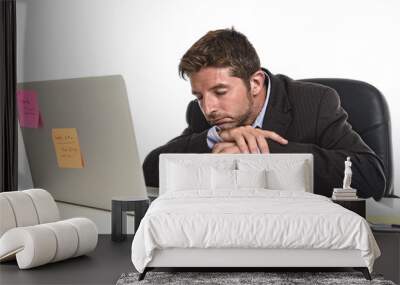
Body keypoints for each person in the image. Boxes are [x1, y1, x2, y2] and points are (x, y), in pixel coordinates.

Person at [143, 28, 385, 199]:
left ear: (256, 83)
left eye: (220, 91)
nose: (209, 108)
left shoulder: (316, 102)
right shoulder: (203, 116)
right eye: (199, 96)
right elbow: (151, 170)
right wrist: (212, 138)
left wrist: (261, 153)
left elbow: (372, 176)